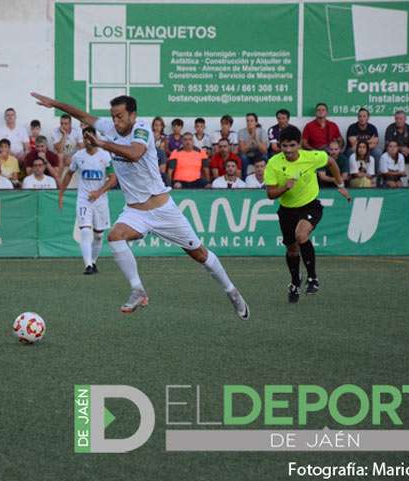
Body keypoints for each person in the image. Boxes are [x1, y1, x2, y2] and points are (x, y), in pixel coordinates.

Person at [32, 91, 249, 319]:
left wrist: (103, 143)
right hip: (135, 211)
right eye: (113, 116)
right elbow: (83, 116)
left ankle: (231, 291)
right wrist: (54, 103)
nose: (115, 121)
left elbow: (135, 154)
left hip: (163, 210)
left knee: (200, 254)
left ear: (133, 115)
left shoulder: (142, 129)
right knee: (115, 236)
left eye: (120, 116)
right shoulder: (109, 127)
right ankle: (138, 290)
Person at [264, 125, 351, 303]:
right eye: (284, 146)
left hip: (310, 205)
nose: (288, 150)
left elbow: (331, 162)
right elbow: (270, 194)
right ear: (280, 145)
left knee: (301, 235)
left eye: (292, 145)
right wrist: (284, 187)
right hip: (287, 210)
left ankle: (313, 278)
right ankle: (295, 281)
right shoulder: (273, 163)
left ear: (299, 145)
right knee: (292, 249)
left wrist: (340, 185)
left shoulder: (311, 156)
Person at [58, 126, 117, 274]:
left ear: (95, 138)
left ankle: (93, 262)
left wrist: (99, 192)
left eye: (90, 137)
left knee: (98, 235)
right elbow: (69, 174)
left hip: (100, 200)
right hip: (84, 199)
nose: (88, 140)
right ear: (83, 139)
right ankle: (88, 265)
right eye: (85, 137)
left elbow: (113, 179)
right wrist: (61, 193)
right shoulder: (78, 156)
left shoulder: (105, 156)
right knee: (85, 231)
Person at [384, 110, 409, 187]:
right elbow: (388, 145)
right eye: (397, 119)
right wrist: (401, 149)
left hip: (407, 153)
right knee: (386, 153)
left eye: (401, 119)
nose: (398, 121)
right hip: (395, 153)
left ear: (405, 119)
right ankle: (390, 179)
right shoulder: (390, 128)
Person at [238, 113, 268, 179]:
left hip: (259, 155)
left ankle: (266, 178)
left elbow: (264, 150)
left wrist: (256, 139)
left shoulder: (262, 132)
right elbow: (242, 151)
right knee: (243, 157)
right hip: (247, 155)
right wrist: (251, 139)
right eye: (247, 121)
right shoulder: (241, 132)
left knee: (265, 157)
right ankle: (244, 179)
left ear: (256, 122)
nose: (249, 123)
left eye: (251, 121)